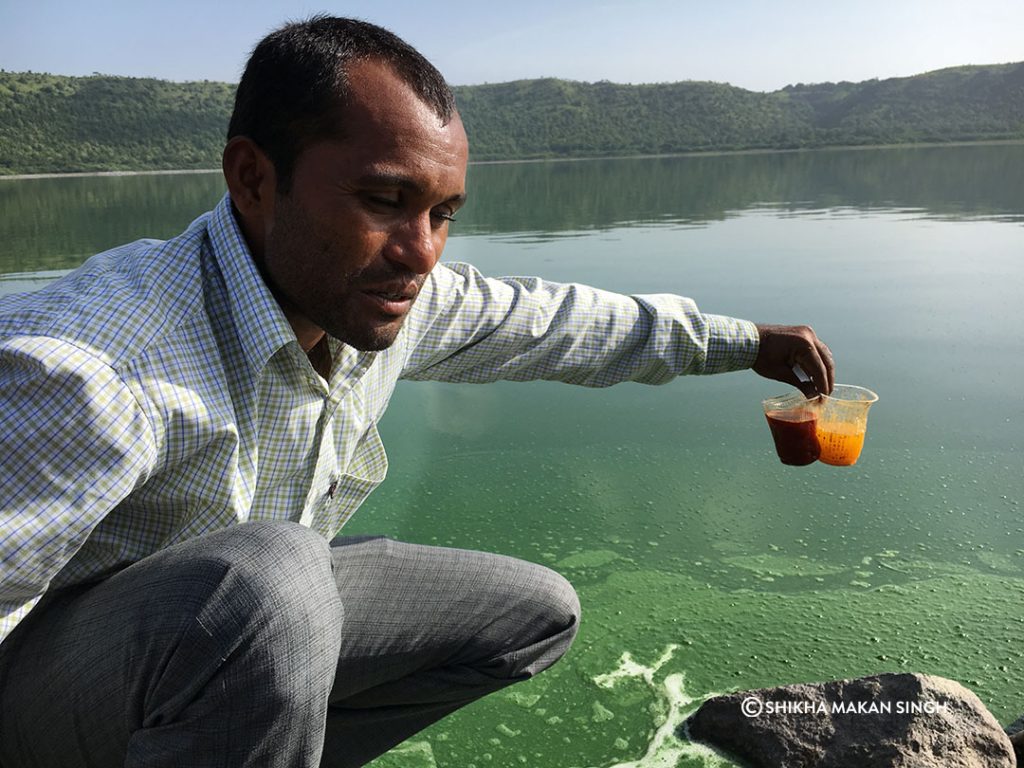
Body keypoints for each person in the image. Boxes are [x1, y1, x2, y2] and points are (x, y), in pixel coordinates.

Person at [0, 15, 834, 768]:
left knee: (532, 613)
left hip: (223, 638)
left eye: (443, 213)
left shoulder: (364, 298)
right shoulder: (90, 374)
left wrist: (749, 344)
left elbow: (559, 322)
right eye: (384, 200)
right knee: (274, 576)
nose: (421, 252)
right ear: (253, 179)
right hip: (39, 696)